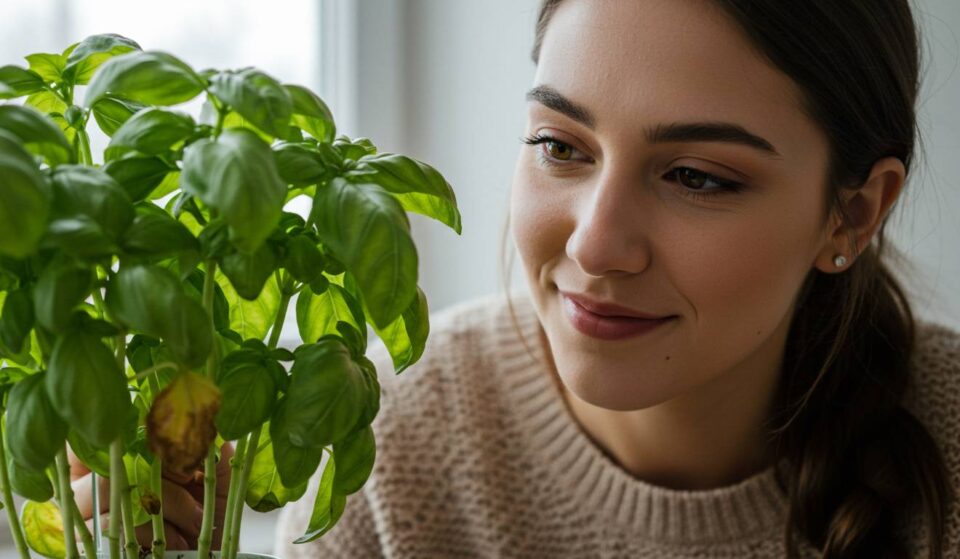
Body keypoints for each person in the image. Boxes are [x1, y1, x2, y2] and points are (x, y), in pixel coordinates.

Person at [74, 0, 960, 557]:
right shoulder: (400, 441)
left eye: (698, 176)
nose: (598, 243)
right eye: (561, 147)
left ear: (852, 213)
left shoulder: (947, 430)